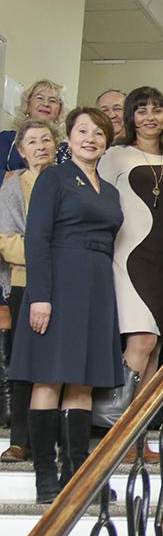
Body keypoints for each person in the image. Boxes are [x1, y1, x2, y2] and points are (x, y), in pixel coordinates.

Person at [8, 108, 123, 504]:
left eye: (99, 133)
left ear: (107, 142)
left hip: (97, 287)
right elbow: (36, 239)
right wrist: (40, 296)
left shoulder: (110, 191)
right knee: (48, 378)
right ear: (69, 138)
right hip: (57, 285)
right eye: (82, 131)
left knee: (82, 381)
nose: (91, 138)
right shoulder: (53, 177)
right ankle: (45, 476)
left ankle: (76, 474)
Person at [94, 87, 163, 463]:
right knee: (141, 342)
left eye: (157, 110)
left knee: (156, 350)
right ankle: (115, 435)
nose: (149, 117)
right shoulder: (115, 155)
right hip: (128, 259)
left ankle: (139, 439)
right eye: (141, 110)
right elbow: (97, 204)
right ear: (130, 117)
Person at [0, 120, 58, 463]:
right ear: (21, 150)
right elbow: (6, 241)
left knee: (58, 363)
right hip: (26, 282)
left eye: (46, 140)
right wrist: (49, 252)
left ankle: (53, 437)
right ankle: (21, 439)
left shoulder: (68, 180)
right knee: (25, 363)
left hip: (65, 283)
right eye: (32, 142)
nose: (40, 147)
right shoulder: (13, 186)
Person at [1, 79, 70, 174]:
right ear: (27, 105)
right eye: (40, 98)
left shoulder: (66, 150)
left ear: (59, 111)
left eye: (52, 101)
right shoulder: (6, 139)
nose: (46, 104)